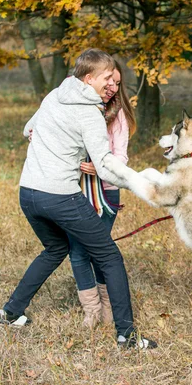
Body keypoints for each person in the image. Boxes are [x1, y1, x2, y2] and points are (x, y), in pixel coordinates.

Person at [0, 48, 156, 350]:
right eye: (108, 77)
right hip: (60, 196)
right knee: (109, 256)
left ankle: (10, 312)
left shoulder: (54, 96)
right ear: (89, 78)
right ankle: (127, 335)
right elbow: (105, 163)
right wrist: (141, 183)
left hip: (28, 193)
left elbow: (28, 129)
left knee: (55, 249)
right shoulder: (89, 112)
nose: (112, 84)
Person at [68, 60, 136, 327]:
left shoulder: (117, 114)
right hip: (76, 191)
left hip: (106, 193)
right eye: (109, 81)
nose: (112, 87)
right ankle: (91, 309)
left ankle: (108, 306)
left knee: (100, 249)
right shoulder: (77, 109)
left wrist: (100, 168)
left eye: (117, 83)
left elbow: (121, 156)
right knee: (77, 251)